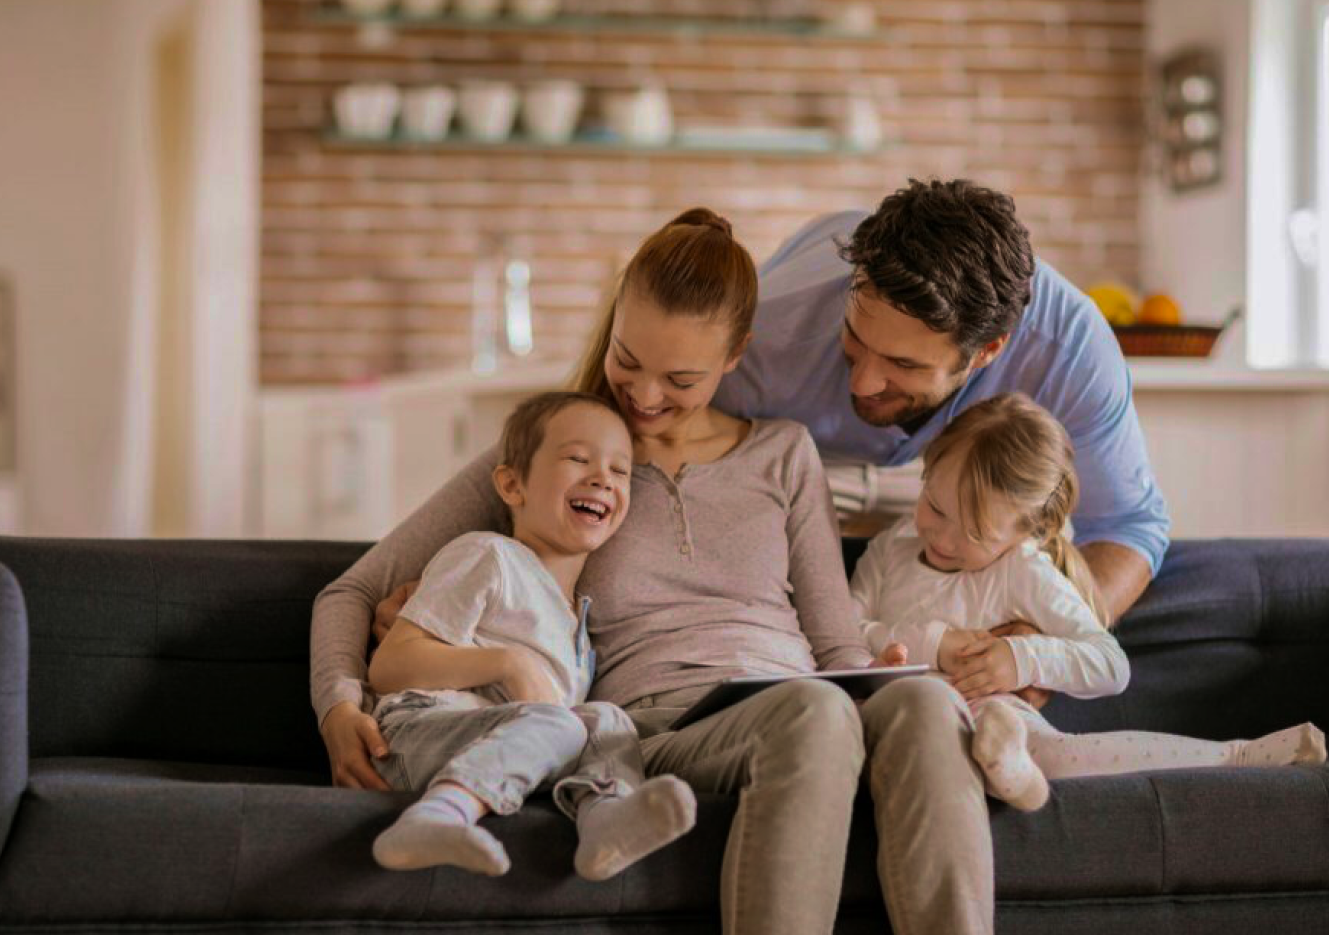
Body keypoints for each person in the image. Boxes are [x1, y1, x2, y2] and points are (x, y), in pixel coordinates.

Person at [313, 208, 992, 934]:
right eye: (626, 360)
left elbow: (833, 641)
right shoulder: (565, 457)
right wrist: (337, 706)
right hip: (668, 724)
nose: (642, 396)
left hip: (799, 692)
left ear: (736, 356)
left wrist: (875, 670)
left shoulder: (785, 454)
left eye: (680, 378)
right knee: (816, 710)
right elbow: (353, 587)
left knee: (923, 704)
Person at [712, 178, 1171, 626]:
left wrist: (1039, 645)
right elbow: (651, 401)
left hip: (938, 482)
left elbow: (1126, 526)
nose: (863, 383)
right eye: (853, 337)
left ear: (989, 350)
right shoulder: (761, 336)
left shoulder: (1068, 349)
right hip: (792, 452)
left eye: (904, 364)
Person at [851, 392, 1326, 812]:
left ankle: (1236, 756)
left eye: (975, 532)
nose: (941, 534)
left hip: (988, 713)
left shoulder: (1022, 567)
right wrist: (933, 644)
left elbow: (1108, 664)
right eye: (934, 505)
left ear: (1026, 532)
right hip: (903, 717)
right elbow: (842, 628)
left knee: (1055, 750)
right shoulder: (892, 547)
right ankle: (1008, 772)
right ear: (927, 470)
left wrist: (1020, 658)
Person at [365, 391, 697, 880]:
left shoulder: (576, 624)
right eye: (578, 459)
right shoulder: (488, 556)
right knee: (562, 725)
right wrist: (508, 664)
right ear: (513, 485)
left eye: (620, 470)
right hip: (416, 735)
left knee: (606, 718)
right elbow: (390, 666)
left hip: (506, 746)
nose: (602, 477)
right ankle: (437, 814)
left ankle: (604, 820)